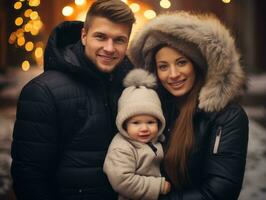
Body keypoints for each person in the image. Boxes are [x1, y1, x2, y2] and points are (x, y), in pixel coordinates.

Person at [11, 0, 135, 199]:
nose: (109, 48)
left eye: (119, 40)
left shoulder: (132, 87)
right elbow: (30, 178)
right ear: (84, 36)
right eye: (101, 37)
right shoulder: (43, 92)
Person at [129, 11, 249, 200]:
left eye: (181, 62)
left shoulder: (225, 116)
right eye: (163, 66)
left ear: (197, 64)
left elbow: (220, 191)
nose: (173, 74)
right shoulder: (154, 111)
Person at [103, 69, 171, 200]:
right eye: (136, 123)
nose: (144, 128)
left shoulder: (156, 141)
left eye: (151, 122)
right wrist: (158, 186)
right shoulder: (122, 148)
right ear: (124, 124)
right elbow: (121, 180)